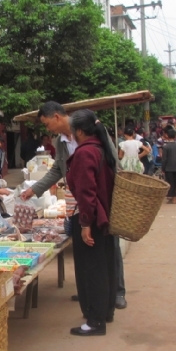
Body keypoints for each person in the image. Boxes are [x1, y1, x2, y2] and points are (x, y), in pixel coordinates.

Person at [21, 101, 127, 309]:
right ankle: (90, 291)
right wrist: (35, 189)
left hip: (101, 195)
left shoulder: (90, 132)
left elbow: (113, 162)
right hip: (79, 198)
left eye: (46, 123)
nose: (47, 128)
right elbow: (58, 170)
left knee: (108, 246)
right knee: (85, 249)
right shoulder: (60, 142)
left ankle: (116, 292)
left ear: (57, 117)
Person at [66, 110, 117, 336]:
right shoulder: (100, 148)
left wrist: (85, 223)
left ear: (79, 131)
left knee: (92, 269)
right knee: (104, 265)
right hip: (104, 215)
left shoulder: (86, 152)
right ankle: (105, 311)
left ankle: (95, 321)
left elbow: (87, 192)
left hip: (92, 217)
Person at [161, 128, 176, 204]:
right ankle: (173, 197)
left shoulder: (166, 146)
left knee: (170, 183)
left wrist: (162, 168)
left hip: (168, 167)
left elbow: (164, 159)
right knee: (175, 182)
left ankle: (173, 198)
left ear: (167, 135)